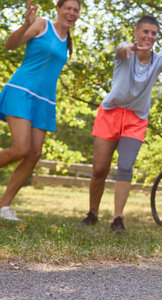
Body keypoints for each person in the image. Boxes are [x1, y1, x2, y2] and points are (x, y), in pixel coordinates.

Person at [77, 15, 162, 233]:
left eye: (154, 33)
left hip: (136, 119)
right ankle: (92, 213)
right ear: (136, 32)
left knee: (125, 166)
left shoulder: (158, 60)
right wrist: (128, 48)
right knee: (100, 169)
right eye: (145, 32)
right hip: (110, 114)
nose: (149, 36)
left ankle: (117, 219)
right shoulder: (125, 52)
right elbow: (122, 49)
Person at [0, 0, 81, 221]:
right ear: (58, 8)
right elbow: (10, 45)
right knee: (20, 149)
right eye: (68, 8)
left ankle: (3, 206)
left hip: (44, 102)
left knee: (34, 154)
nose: (71, 13)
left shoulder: (67, 42)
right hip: (21, 92)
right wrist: (26, 25)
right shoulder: (42, 25)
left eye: (76, 10)